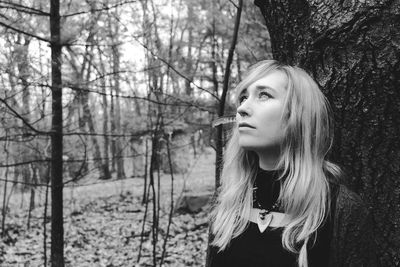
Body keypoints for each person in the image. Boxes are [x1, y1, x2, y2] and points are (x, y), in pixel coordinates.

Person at [208, 60, 376, 267]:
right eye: (243, 97)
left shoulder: (341, 210)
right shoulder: (229, 200)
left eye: (264, 95)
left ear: (298, 115)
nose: (242, 108)